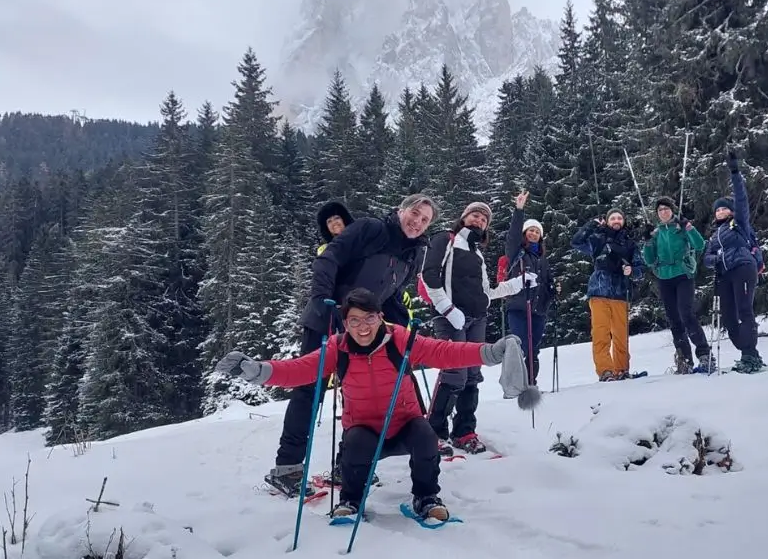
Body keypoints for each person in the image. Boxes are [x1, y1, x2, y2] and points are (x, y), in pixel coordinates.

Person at [215, 287, 539, 521]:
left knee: (427, 437)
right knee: (354, 443)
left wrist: (488, 352)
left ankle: (426, 497)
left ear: (380, 317)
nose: (362, 327)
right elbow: (298, 369)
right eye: (354, 321)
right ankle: (351, 502)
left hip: (404, 426)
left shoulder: (399, 338)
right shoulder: (338, 349)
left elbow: (444, 352)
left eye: (368, 318)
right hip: (365, 431)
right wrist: (258, 371)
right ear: (346, 324)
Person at [266, 193, 438, 497]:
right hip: (327, 318)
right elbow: (329, 258)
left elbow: (391, 296)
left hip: (365, 330)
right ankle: (287, 468)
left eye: (425, 220)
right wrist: (322, 301)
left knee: (360, 394)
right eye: (414, 213)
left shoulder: (412, 254)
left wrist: (404, 327)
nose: (417, 222)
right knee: (310, 390)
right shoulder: (370, 228)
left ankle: (346, 464)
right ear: (401, 210)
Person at [420, 200, 537, 456]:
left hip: (476, 318)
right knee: (455, 374)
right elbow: (428, 276)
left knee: (472, 375)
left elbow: (488, 292)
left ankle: (464, 431)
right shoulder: (445, 240)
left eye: (484, 219)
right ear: (463, 217)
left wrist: (518, 283)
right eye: (475, 215)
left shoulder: (477, 253)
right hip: (449, 317)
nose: (479, 220)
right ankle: (433, 433)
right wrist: (449, 311)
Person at [704, 152, 766, 373]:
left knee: (744, 310)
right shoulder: (713, 235)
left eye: (724, 208)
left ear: (730, 211)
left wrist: (735, 173)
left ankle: (749, 355)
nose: (720, 211)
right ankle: (748, 351)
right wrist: (716, 258)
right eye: (717, 209)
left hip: (743, 268)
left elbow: (741, 199)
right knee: (729, 318)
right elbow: (707, 259)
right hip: (724, 275)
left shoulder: (738, 224)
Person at [571, 208, 646, 381]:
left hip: (621, 293)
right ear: (607, 220)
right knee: (600, 333)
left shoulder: (629, 243)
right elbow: (576, 242)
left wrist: (631, 271)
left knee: (621, 335)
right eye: (613, 217)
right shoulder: (598, 239)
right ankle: (605, 371)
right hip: (599, 291)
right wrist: (592, 225)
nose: (616, 220)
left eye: (619, 217)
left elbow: (640, 268)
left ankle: (622, 369)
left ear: (624, 221)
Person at [641, 197, 713, 374]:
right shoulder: (656, 233)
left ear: (672, 211)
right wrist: (647, 241)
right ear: (657, 214)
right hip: (665, 278)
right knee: (674, 319)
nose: (663, 212)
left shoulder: (680, 228)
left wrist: (689, 227)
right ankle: (685, 359)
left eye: (666, 209)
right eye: (660, 210)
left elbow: (699, 245)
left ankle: (704, 354)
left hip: (683, 274)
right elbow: (649, 260)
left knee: (685, 313)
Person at [502, 190, 557, 387]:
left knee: (534, 348)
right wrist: (519, 210)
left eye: (537, 231)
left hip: (538, 310)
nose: (533, 233)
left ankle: (530, 383)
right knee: (521, 346)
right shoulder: (516, 252)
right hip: (518, 308)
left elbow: (547, 282)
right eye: (530, 230)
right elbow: (512, 235)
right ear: (525, 234)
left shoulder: (542, 259)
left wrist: (553, 290)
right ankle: (517, 384)